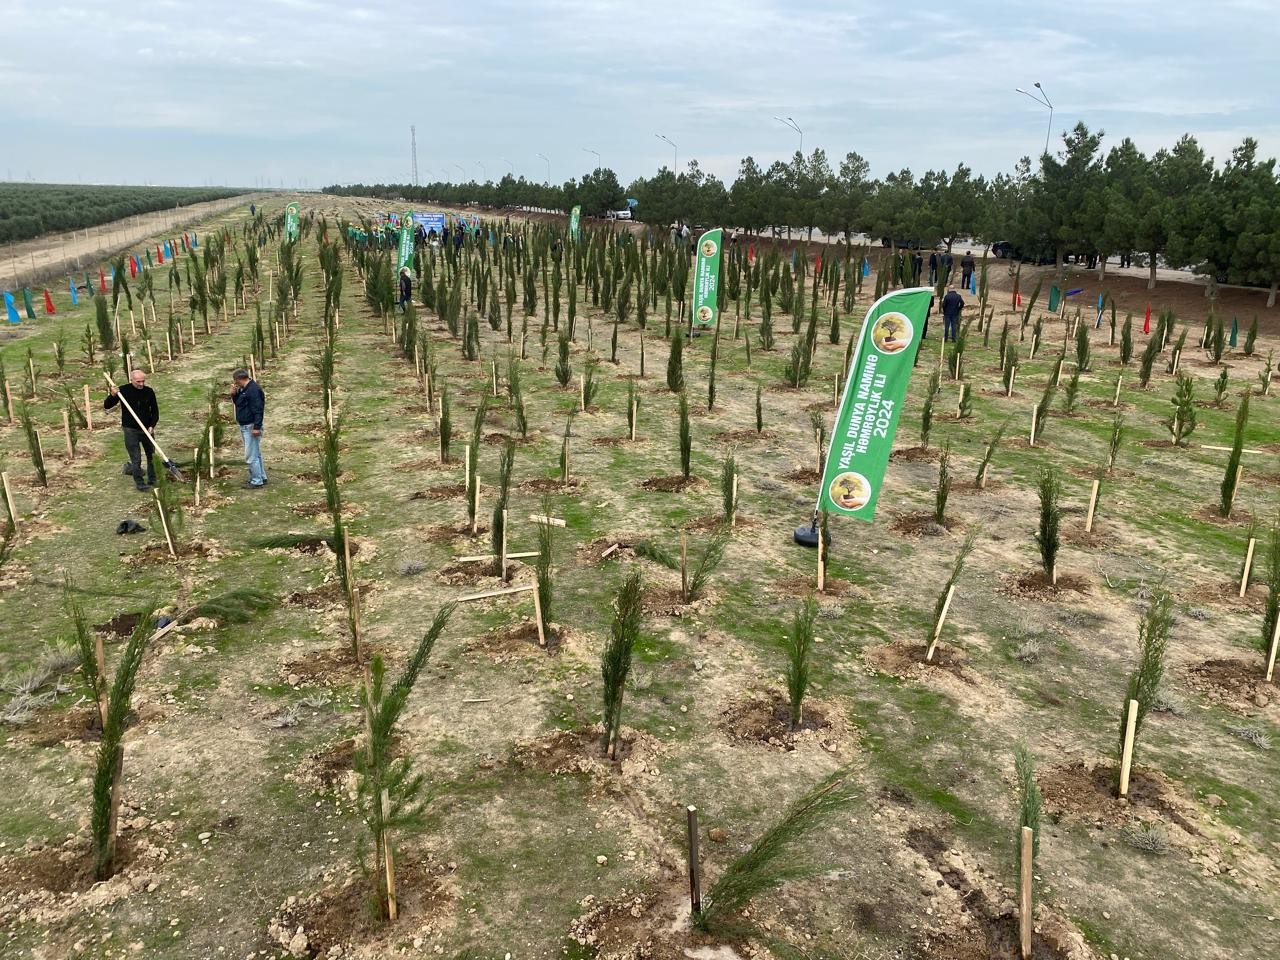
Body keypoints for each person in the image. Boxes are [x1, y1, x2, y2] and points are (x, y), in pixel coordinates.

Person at [104, 369, 159, 491]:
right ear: (131, 380)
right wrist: (113, 395)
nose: (141, 384)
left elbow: (155, 412)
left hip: (147, 429)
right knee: (136, 458)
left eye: (143, 381)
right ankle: (140, 483)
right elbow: (107, 405)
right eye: (138, 381)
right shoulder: (123, 391)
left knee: (151, 456)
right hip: (130, 430)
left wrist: (152, 426)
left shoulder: (149, 392)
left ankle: (152, 479)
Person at [230, 369, 266, 489]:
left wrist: (256, 427)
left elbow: (258, 410)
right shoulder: (244, 389)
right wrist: (234, 395)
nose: (235, 384)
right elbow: (240, 404)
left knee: (250, 455)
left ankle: (256, 481)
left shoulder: (253, 390)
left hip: (250, 426)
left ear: (239, 379)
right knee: (256, 453)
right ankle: (261, 476)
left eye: (235, 382)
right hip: (246, 425)